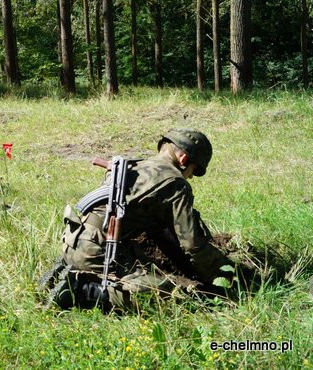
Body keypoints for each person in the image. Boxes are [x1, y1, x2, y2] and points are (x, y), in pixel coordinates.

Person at [40, 128, 236, 310]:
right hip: (98, 251)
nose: (191, 177)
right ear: (184, 159)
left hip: (73, 240)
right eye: (193, 171)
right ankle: (82, 291)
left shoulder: (137, 166)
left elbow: (160, 233)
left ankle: (66, 270)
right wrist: (222, 274)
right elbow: (193, 245)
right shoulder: (175, 183)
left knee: (146, 267)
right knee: (169, 295)